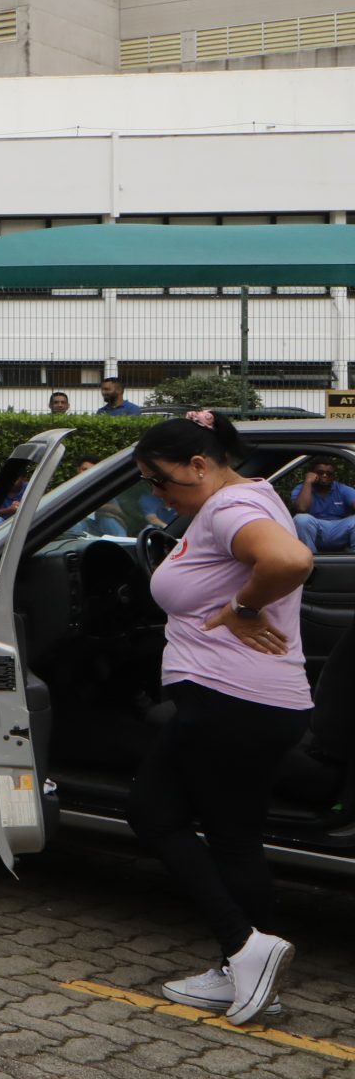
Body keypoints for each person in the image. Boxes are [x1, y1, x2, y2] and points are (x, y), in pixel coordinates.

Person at [126, 411, 314, 1025]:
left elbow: (290, 560)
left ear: (200, 465)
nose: (158, 493)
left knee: (153, 814)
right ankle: (245, 971)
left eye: (161, 480)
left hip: (230, 699)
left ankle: (244, 945)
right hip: (255, 703)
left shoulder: (231, 509)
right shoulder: (242, 501)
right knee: (233, 835)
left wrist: (240, 607)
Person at [290, 459, 355, 553]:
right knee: (301, 519)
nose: (324, 475)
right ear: (312, 474)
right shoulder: (302, 488)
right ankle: (310, 559)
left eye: (329, 474)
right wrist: (308, 482)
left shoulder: (343, 489)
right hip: (316, 530)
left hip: (339, 529)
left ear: (333, 477)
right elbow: (302, 508)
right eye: (320, 472)